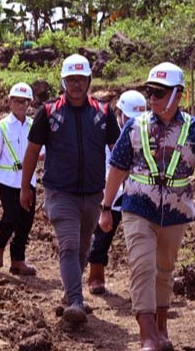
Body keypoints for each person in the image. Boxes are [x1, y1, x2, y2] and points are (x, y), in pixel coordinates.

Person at [99, 62, 195, 351]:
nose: (152, 99)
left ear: (177, 94)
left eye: (159, 93)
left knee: (164, 269)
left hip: (176, 211)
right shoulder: (134, 127)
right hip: (136, 207)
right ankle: (148, 337)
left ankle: (161, 327)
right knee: (142, 266)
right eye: (149, 92)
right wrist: (106, 207)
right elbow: (117, 169)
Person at [20, 54, 121, 327]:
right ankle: (76, 301)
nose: (76, 84)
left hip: (92, 193)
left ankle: (69, 294)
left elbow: (119, 150)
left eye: (81, 79)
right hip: (59, 192)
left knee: (84, 247)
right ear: (63, 82)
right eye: (71, 80)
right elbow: (31, 152)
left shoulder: (103, 112)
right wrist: (25, 187)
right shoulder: (49, 112)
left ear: (89, 80)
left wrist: (126, 185)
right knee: (69, 244)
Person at [86, 89, 147, 294]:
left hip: (138, 194)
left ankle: (145, 283)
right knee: (102, 235)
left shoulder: (147, 136)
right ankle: (96, 275)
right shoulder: (107, 137)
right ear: (119, 114)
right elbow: (106, 168)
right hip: (112, 194)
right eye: (128, 117)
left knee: (143, 240)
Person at [0, 82, 42, 275]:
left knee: (26, 221)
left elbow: (42, 151)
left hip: (29, 180)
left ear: (29, 104)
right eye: (16, 101)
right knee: (11, 216)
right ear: (9, 102)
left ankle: (18, 259)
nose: (20, 105)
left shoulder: (34, 126)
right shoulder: (1, 127)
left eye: (24, 102)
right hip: (7, 180)